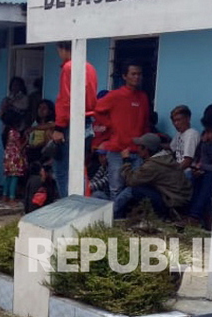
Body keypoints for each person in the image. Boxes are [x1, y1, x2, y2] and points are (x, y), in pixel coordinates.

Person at [94, 59, 149, 199]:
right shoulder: (115, 95)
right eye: (133, 74)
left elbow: (146, 124)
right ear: (125, 76)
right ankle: (115, 219)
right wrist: (110, 124)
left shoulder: (143, 97)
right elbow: (95, 109)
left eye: (139, 74)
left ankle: (128, 218)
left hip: (137, 150)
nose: (137, 77)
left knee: (135, 188)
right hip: (117, 149)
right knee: (116, 188)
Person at [52, 41, 98, 197]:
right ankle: (81, 205)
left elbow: (66, 100)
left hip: (71, 124)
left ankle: (68, 208)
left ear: (63, 49)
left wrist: (59, 127)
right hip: (87, 122)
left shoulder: (68, 67)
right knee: (79, 169)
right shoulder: (90, 67)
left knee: (62, 170)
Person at [113, 133, 192, 219]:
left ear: (146, 149)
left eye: (139, 146)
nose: (137, 149)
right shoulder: (165, 156)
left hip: (172, 203)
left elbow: (130, 181)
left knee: (131, 190)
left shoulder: (153, 165)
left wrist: (126, 160)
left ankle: (113, 214)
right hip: (179, 199)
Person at [1, 110, 27, 203]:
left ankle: (4, 196)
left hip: (8, 157)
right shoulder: (15, 133)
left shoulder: (6, 131)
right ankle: (12, 198)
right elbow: (19, 147)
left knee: (8, 177)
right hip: (15, 158)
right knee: (14, 177)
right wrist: (27, 141)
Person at [169, 105, 200, 171]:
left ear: (188, 119)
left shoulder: (191, 134)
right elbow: (171, 148)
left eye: (179, 120)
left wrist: (173, 173)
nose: (176, 123)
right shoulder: (179, 134)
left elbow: (187, 161)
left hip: (187, 171)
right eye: (174, 121)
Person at [26, 99, 56, 165]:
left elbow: (49, 126)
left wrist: (34, 128)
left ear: (50, 111)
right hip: (33, 151)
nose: (41, 110)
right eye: (39, 107)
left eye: (44, 108)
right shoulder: (35, 123)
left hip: (43, 151)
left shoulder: (51, 124)